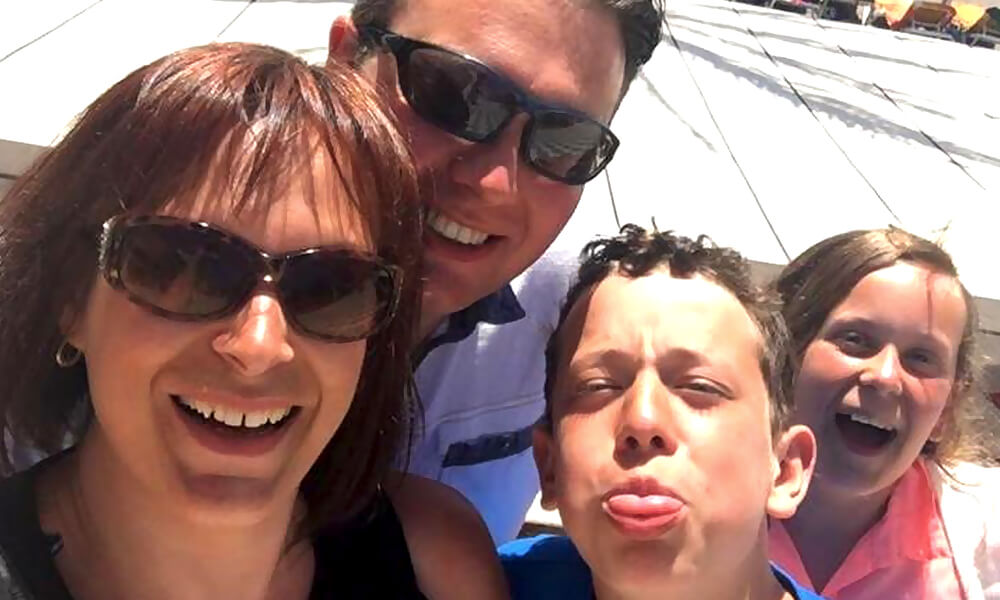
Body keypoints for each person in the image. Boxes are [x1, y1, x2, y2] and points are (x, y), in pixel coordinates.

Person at [0, 43, 506, 599]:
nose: (260, 345)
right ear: (73, 296)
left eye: (331, 287)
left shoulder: (438, 568)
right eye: (188, 266)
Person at [326, 0, 668, 544]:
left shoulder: (571, 312)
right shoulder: (192, 253)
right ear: (344, 60)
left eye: (564, 140)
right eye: (453, 94)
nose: (494, 183)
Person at [500, 226, 824, 599]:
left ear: (784, 469)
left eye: (699, 387)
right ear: (549, 467)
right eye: (598, 387)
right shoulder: (481, 582)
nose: (642, 420)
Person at [768, 227, 1000, 599]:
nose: (886, 377)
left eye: (921, 358)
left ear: (947, 409)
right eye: (855, 339)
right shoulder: (690, 504)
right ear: (781, 357)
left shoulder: (988, 536)